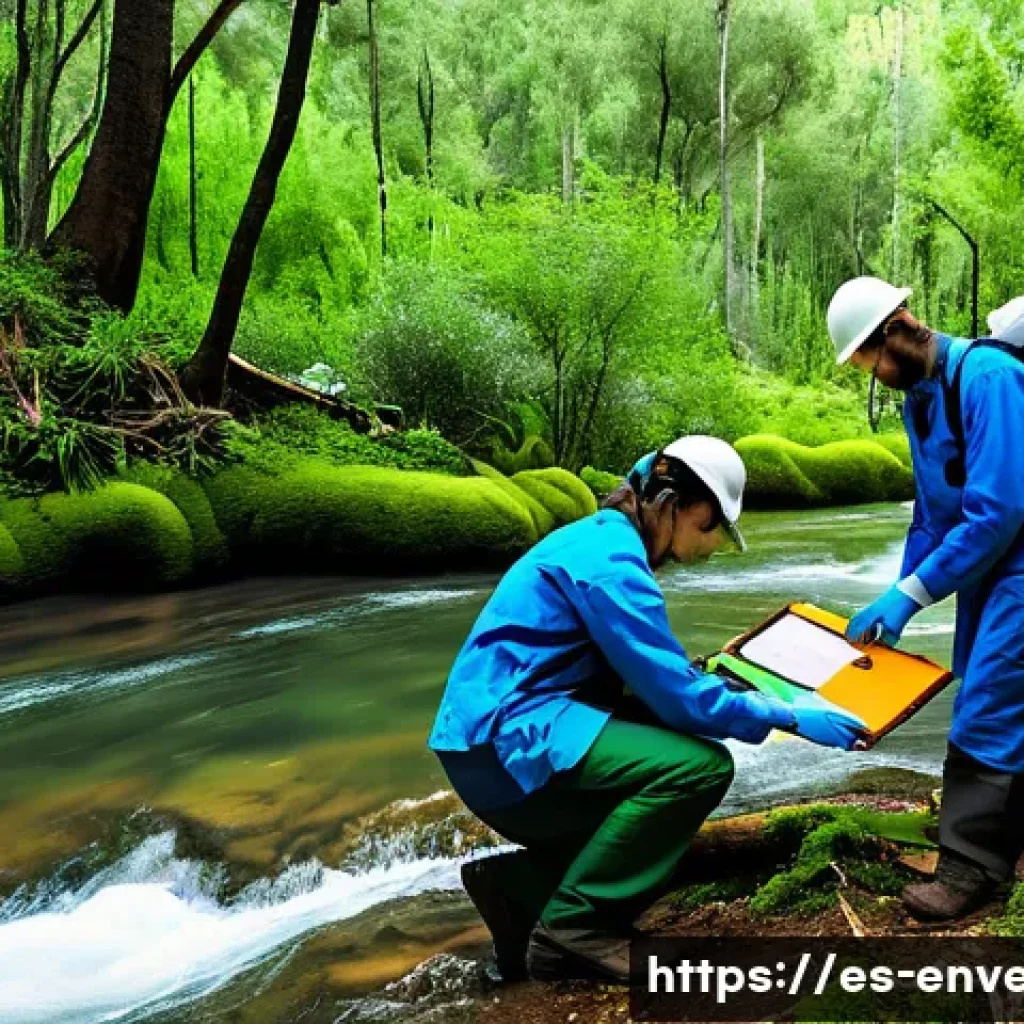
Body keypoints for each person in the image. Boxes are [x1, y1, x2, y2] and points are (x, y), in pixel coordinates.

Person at [427, 436, 866, 984]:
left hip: (484, 743)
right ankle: (574, 928)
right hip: (506, 744)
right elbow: (680, 703)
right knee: (698, 768)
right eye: (710, 529)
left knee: (644, 795)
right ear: (672, 504)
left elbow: (648, 679)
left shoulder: (599, 541)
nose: (708, 548)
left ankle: (521, 891)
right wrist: (788, 716)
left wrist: (710, 683)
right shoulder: (613, 566)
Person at [828, 276, 1024, 921]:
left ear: (899, 328)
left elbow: (997, 511)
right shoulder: (919, 399)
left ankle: (970, 868)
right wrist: (896, 594)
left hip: (1016, 563)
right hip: (984, 572)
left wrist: (912, 596)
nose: (873, 374)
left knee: (988, 710)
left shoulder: (989, 376)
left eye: (870, 359)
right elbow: (933, 517)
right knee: (982, 689)